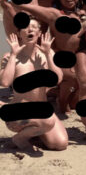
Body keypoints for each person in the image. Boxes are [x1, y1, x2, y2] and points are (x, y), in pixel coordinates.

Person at [5, 0, 86, 113]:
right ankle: (62, 104)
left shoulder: (83, 13)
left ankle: (54, 91)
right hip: (62, 60)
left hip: (80, 59)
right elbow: (27, 7)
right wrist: (7, 0)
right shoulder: (54, 14)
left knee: (76, 102)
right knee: (72, 78)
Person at [0, 19, 67, 151]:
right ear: (19, 34)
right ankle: (19, 138)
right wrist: (13, 55)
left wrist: (48, 54)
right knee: (47, 121)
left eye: (34, 27)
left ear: (39, 33)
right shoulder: (10, 56)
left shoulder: (47, 53)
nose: (30, 30)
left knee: (60, 144)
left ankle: (34, 133)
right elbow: (4, 82)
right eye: (25, 27)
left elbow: (58, 79)